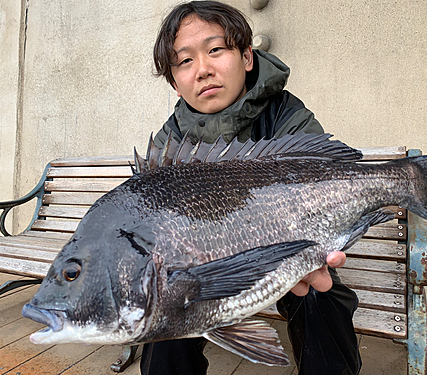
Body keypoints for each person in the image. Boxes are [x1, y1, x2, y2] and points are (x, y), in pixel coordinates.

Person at [141, 2, 362, 374]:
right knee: (164, 321)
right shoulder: (170, 142)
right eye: (184, 62)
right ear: (175, 84)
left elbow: (322, 183)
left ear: (246, 57)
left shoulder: (286, 114)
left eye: (215, 50)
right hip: (204, 268)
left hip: (284, 253)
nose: (203, 70)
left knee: (321, 296)